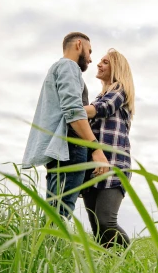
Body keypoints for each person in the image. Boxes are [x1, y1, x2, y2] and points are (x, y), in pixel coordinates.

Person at [21, 32, 110, 218]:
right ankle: (52, 246)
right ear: (79, 45)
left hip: (59, 150)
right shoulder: (69, 67)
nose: (91, 59)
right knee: (60, 213)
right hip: (70, 148)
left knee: (53, 212)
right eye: (90, 51)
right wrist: (96, 149)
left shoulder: (56, 69)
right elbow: (74, 111)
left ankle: (45, 247)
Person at [82, 48, 134, 247]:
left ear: (116, 68)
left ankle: (131, 264)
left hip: (114, 164)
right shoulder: (98, 96)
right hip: (94, 165)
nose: (98, 64)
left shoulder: (120, 89)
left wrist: (69, 110)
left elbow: (102, 109)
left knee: (106, 222)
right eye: (100, 61)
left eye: (105, 62)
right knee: (97, 230)